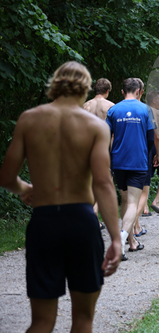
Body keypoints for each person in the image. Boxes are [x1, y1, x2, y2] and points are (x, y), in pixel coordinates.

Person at [0, 61, 121, 332]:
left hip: (44, 223)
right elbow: (103, 183)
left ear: (55, 84)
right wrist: (115, 237)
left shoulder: (29, 119)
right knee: (83, 319)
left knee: (41, 322)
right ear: (86, 88)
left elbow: (6, 177)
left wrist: (25, 189)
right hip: (81, 222)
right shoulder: (95, 126)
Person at [106, 78, 159, 261]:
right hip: (137, 161)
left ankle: (130, 241)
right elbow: (151, 138)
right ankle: (120, 238)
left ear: (122, 92)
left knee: (124, 200)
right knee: (132, 203)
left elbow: (106, 137)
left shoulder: (113, 110)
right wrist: (147, 152)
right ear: (139, 91)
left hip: (118, 161)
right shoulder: (145, 110)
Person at [130, 80, 159, 239]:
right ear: (140, 92)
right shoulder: (146, 109)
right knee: (144, 191)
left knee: (128, 195)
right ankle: (132, 224)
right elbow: (156, 136)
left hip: (123, 154)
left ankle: (136, 226)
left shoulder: (116, 108)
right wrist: (158, 154)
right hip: (143, 153)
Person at [83, 78, 115, 230]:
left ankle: (93, 216)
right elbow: (115, 132)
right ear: (108, 91)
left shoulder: (85, 105)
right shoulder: (111, 107)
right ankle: (93, 213)